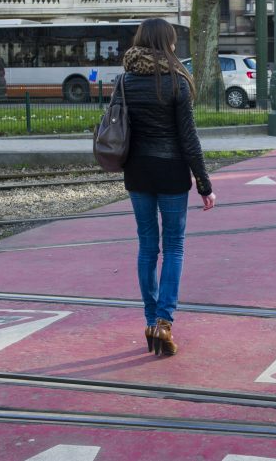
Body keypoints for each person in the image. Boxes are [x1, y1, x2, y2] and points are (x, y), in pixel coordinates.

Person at [118, 18, 216, 357]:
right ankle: (164, 321)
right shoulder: (178, 82)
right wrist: (204, 182)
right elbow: (188, 138)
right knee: (173, 246)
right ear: (167, 44)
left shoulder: (125, 80)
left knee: (147, 246)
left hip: (137, 171)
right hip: (172, 170)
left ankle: (150, 320)